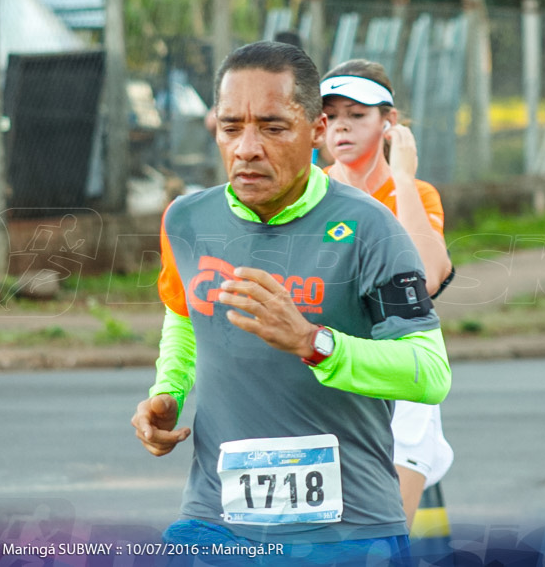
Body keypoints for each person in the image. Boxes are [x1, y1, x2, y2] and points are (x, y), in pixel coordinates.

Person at [131, 41, 451, 563]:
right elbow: (183, 316)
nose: (247, 148)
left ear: (316, 131)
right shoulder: (186, 220)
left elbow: (429, 371)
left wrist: (312, 342)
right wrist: (168, 390)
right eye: (232, 127)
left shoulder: (372, 227)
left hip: (348, 530)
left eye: (274, 127)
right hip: (216, 520)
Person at [320, 59, 455, 530]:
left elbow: (430, 275)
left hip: (399, 382)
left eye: (357, 114)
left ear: (389, 123)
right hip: (325, 378)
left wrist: (401, 177)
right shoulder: (307, 195)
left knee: (383, 538)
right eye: (331, 115)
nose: (341, 126)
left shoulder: (415, 193)